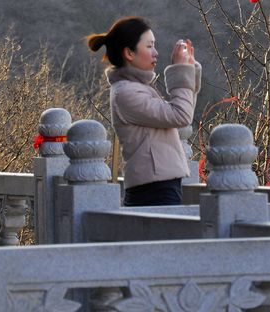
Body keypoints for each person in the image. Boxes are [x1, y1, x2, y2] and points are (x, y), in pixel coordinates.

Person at [86, 16, 201, 206]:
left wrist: (187, 69)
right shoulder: (126, 93)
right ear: (129, 53)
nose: (156, 53)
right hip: (153, 189)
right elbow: (180, 115)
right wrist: (180, 70)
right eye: (149, 46)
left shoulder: (138, 88)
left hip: (160, 184)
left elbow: (183, 112)